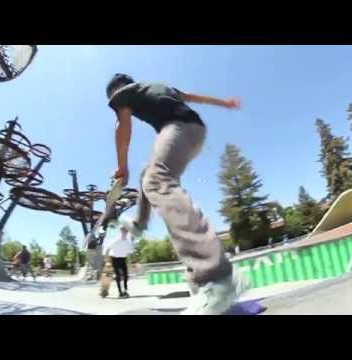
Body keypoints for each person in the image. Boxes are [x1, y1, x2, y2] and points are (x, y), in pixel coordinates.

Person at [104, 73, 247, 314]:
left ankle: (216, 277)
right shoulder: (161, 87)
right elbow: (196, 97)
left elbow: (123, 127)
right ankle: (141, 223)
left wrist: (122, 166)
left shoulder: (123, 92)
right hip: (196, 130)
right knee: (148, 176)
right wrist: (225, 103)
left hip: (177, 128)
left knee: (157, 180)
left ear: (117, 89)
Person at [104, 225, 134, 298]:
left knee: (126, 275)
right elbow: (107, 249)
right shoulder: (116, 240)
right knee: (118, 276)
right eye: (123, 232)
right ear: (121, 232)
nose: (125, 233)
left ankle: (125, 291)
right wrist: (107, 261)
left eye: (126, 232)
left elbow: (129, 252)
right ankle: (120, 292)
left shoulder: (128, 242)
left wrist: (130, 263)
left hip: (123, 259)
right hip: (114, 258)